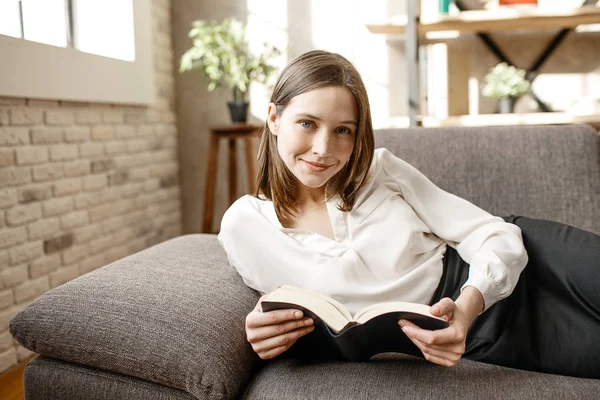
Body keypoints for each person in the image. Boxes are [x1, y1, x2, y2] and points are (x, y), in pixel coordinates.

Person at [218, 50, 600, 378]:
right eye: (307, 123)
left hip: (524, 264)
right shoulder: (245, 227)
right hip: (479, 334)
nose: (323, 148)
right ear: (273, 117)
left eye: (343, 131)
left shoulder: (380, 170)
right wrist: (261, 335)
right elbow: (293, 317)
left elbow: (489, 232)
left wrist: (467, 307)